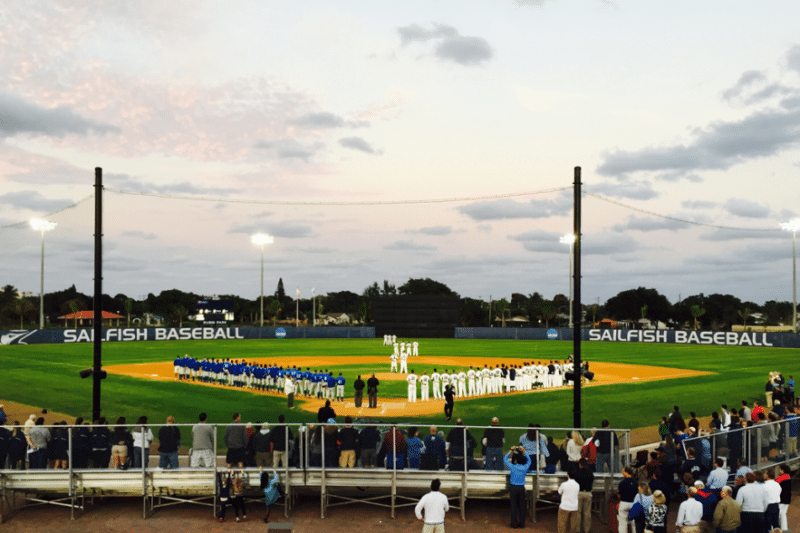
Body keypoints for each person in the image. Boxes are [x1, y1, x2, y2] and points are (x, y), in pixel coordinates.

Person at [504, 445, 531, 529]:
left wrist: (510, 450)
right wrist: (524, 451)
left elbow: (505, 459)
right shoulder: (525, 467)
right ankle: (522, 523)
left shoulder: (513, 467)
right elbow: (529, 460)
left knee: (514, 506)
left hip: (513, 488)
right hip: (521, 488)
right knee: (522, 506)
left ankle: (514, 523)